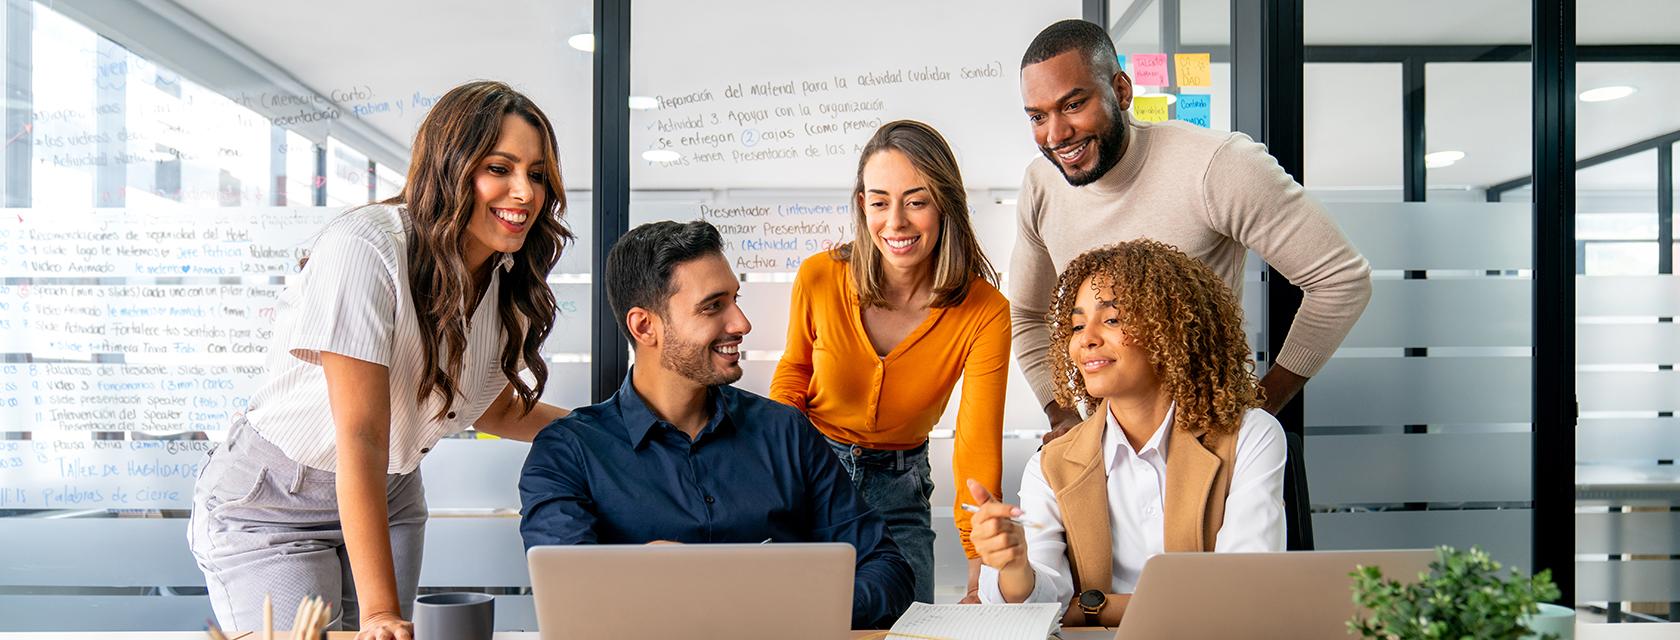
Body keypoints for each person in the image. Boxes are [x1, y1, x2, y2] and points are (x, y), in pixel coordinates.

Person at [188, 80, 574, 640]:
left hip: (388, 492)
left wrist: (602, 430)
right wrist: (378, 614)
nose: (524, 192)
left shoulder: (503, 273)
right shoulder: (365, 249)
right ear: (450, 165)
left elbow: (486, 407)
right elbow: (362, 434)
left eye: (536, 174)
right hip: (274, 503)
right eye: (499, 168)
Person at [518, 220, 914, 629]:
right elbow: (575, 601)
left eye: (735, 300)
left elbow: (887, 569)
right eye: (713, 306)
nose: (741, 323)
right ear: (644, 326)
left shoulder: (786, 433)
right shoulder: (566, 454)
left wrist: (776, 608)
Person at [1011, 19, 1371, 442]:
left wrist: (1261, 405)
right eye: (1038, 116)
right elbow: (1026, 314)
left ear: (1122, 91)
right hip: (1111, 445)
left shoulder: (1217, 166)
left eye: (1073, 105)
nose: (1056, 134)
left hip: (1210, 440)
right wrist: (1063, 413)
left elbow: (1342, 280)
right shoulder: (1040, 185)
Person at [969, 240, 1286, 626]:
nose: (1086, 338)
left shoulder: (1251, 436)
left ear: (1171, 329)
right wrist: (1014, 565)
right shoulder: (1051, 465)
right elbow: (1035, 612)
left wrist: (1091, 609)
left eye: (1113, 320)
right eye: (1076, 324)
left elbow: (1243, 593)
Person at [770, 120, 1010, 604]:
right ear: (864, 206)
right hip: (814, 473)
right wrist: (779, 460)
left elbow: (975, 441)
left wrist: (977, 569)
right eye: (880, 202)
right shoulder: (820, 276)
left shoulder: (985, 312)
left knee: (908, 625)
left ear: (945, 205)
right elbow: (794, 371)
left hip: (900, 488)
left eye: (916, 201)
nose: (895, 222)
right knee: (800, 622)